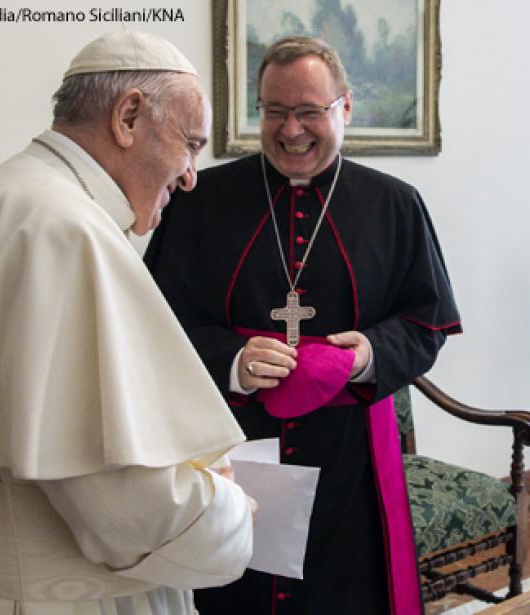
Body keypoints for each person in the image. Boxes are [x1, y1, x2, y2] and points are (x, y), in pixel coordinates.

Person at [0, 30, 255, 615]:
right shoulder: (67, 229)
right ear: (129, 116)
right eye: (190, 144)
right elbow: (122, 499)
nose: (190, 176)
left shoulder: (17, 187)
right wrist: (227, 512)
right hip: (18, 595)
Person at [144, 36, 461, 615]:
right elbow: (156, 325)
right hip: (231, 444)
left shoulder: (395, 204)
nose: (291, 130)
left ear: (345, 107)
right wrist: (232, 361)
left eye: (309, 110)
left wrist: (367, 354)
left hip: (351, 458)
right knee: (233, 591)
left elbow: (426, 323)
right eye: (274, 111)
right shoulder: (199, 200)